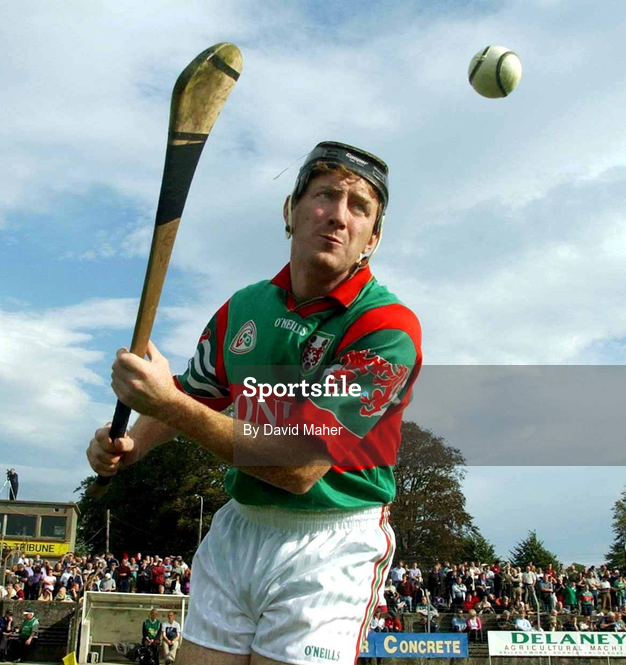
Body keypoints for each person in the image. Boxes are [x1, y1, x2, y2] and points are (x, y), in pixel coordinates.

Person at [88, 141, 420, 665]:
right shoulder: (245, 307)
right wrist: (129, 445)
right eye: (325, 195)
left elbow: (300, 465)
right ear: (290, 210)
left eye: (359, 207)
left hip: (331, 542)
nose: (338, 215)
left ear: (372, 239)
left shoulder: (386, 328)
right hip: (240, 527)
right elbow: (192, 391)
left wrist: (167, 403)